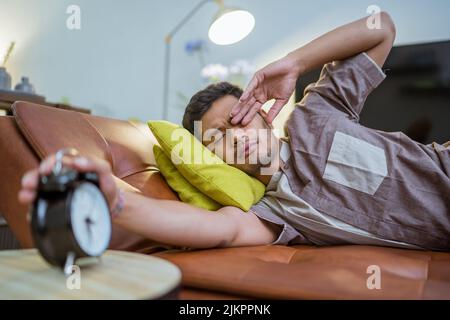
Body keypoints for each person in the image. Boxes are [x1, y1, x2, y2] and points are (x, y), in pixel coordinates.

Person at [18, 12, 450, 251]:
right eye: (218, 137)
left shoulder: (315, 114)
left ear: (264, 114)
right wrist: (112, 200)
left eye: (238, 119)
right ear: (217, 159)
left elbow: (382, 28)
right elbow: (216, 230)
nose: (235, 136)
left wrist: (295, 63)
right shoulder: (275, 214)